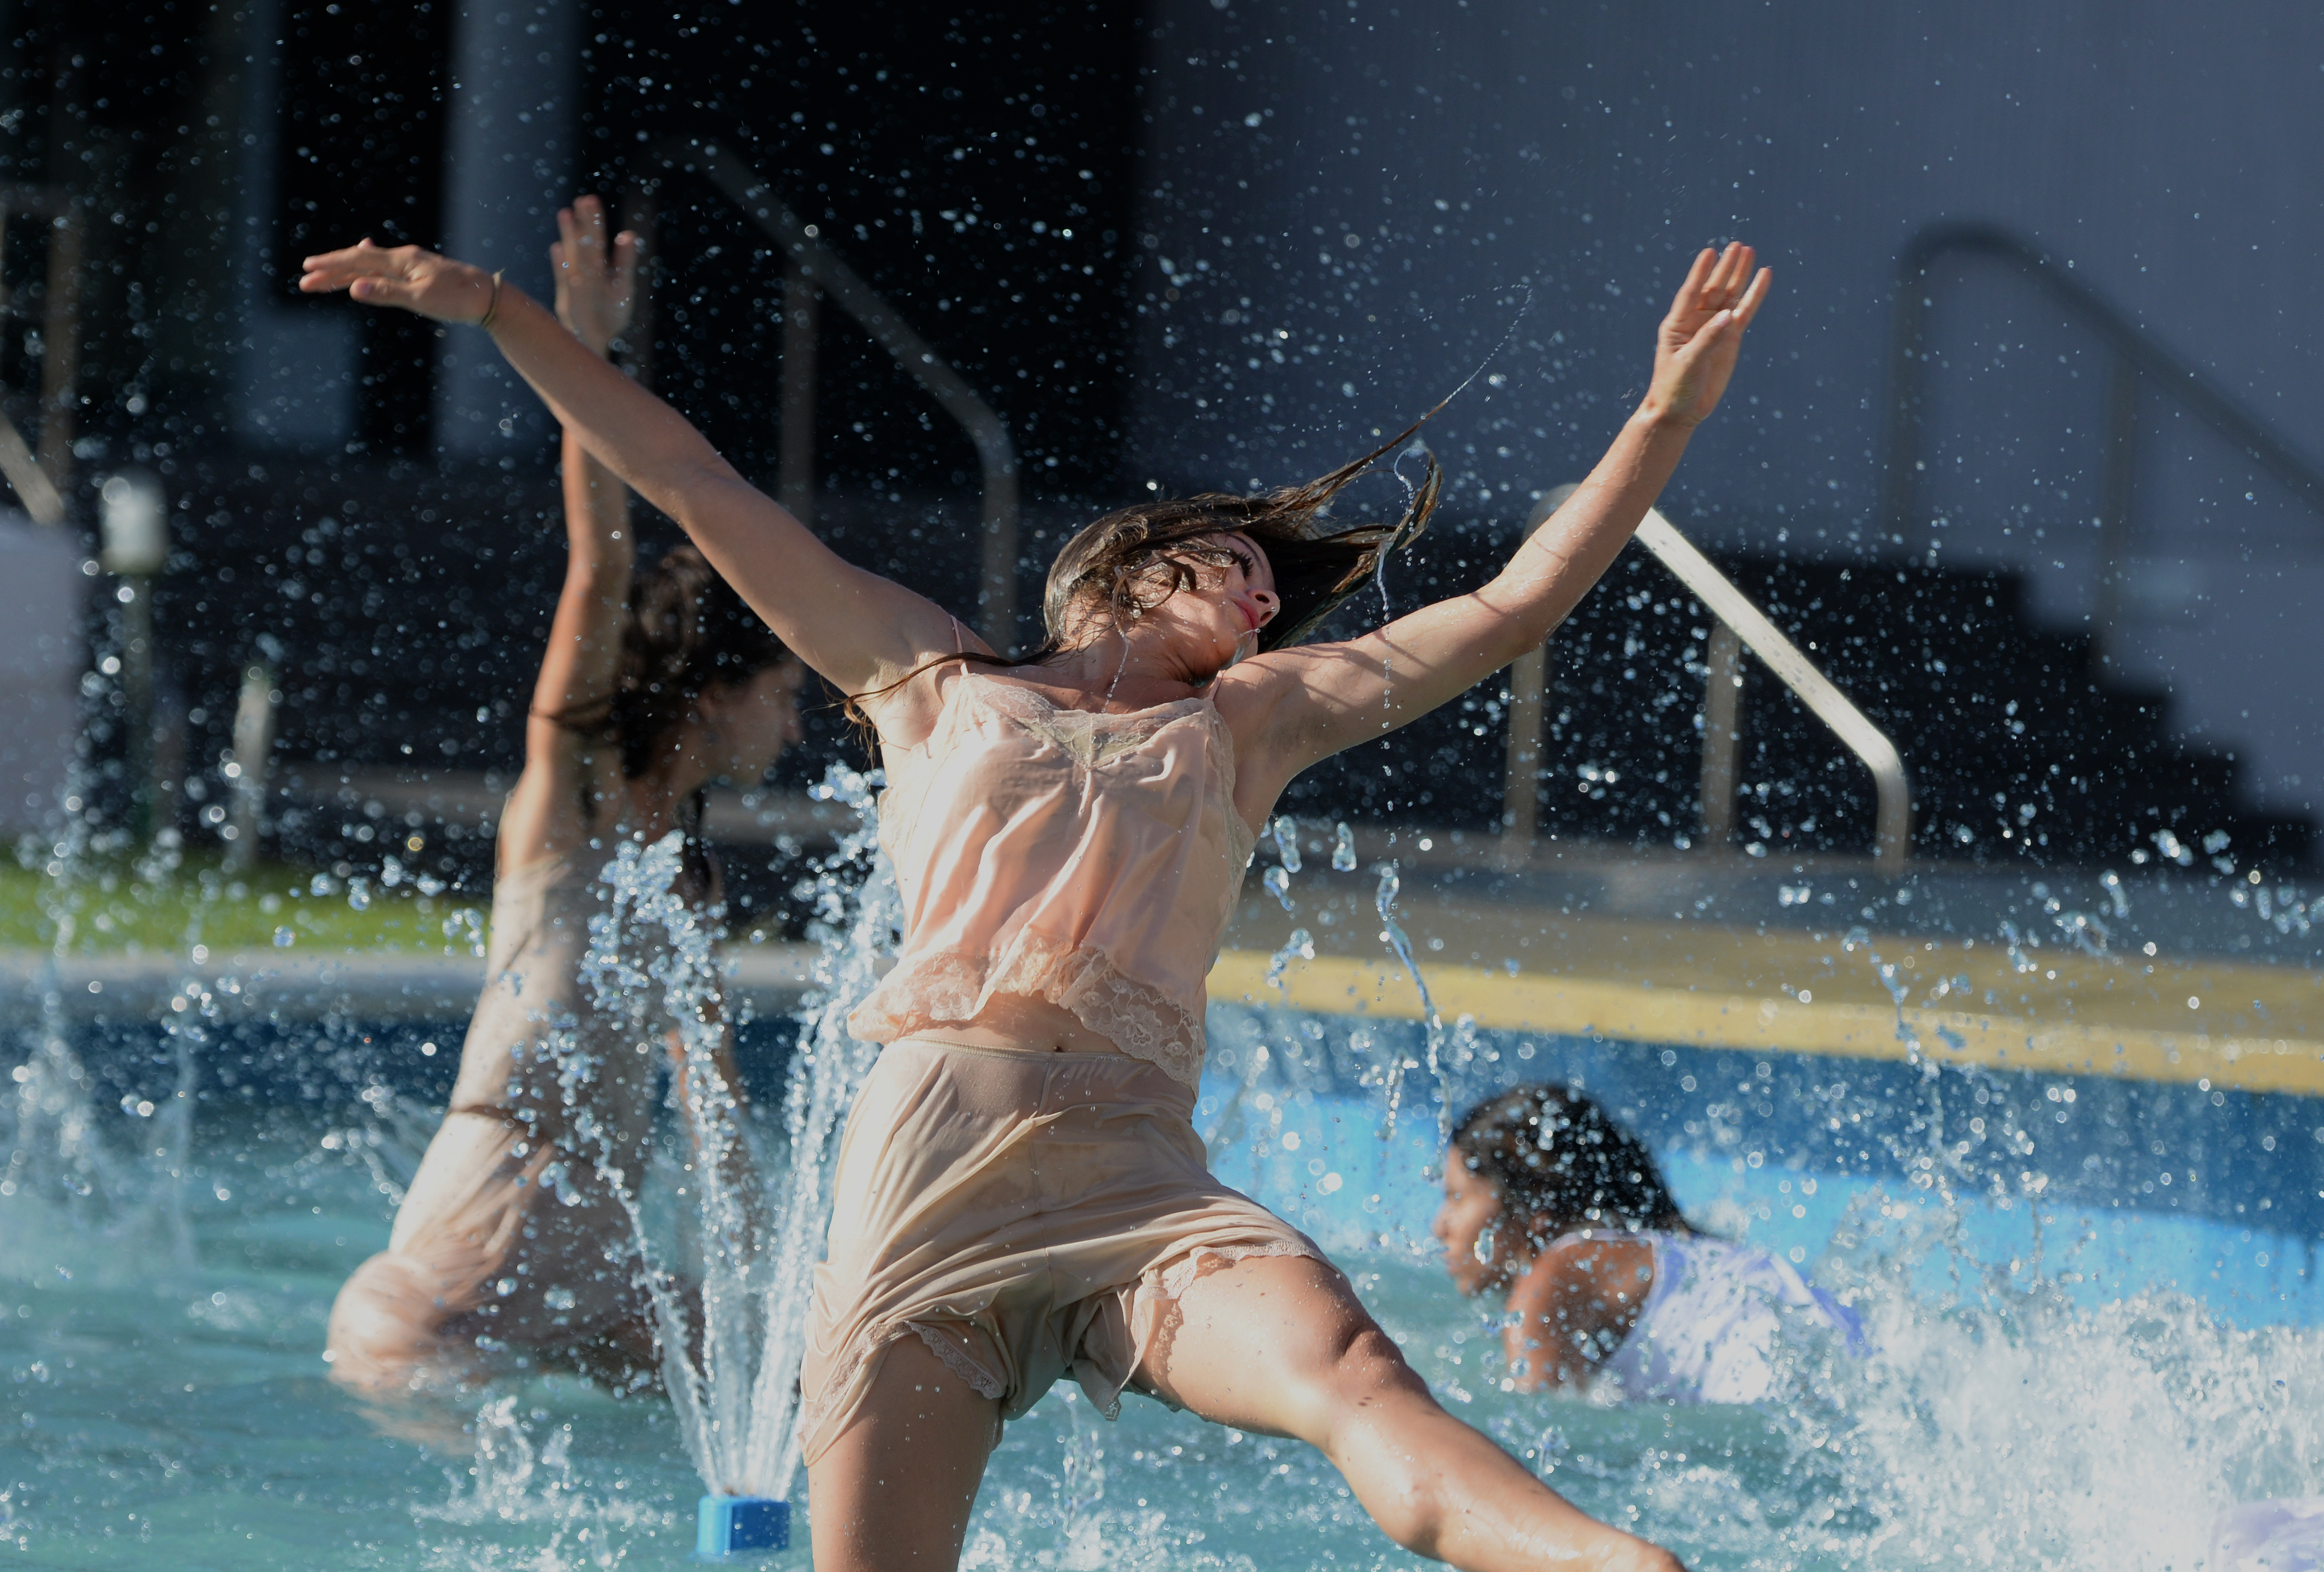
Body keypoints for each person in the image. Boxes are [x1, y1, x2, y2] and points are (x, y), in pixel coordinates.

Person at [301, 201, 1770, 1572]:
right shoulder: (930, 679)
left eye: (1271, 593)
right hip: (923, 1198)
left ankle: (1620, 1562)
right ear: (1129, 565)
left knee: (1355, 1376)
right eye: (1237, 567)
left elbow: (1508, 610)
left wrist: (1663, 419)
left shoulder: (1252, 726)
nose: (1266, 601)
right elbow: (690, 478)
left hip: (1143, 1193)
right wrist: (496, 310)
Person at [324, 204, 806, 1396]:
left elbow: (714, 1115)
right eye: (780, 694)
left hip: (597, 1296)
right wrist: (577, 354)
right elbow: (598, 559)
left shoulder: (686, 876)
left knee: (822, 1379)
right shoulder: (571, 803)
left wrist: (765, 1305)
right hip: (445, 1290)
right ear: (712, 692)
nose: (796, 726)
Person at [1435, 1083, 1864, 1404]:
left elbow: (1534, 1426)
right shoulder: (1676, 1246)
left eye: (1456, 1197)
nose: (1440, 1226)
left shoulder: (1553, 1277)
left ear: (1536, 1210)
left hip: (1777, 1402)